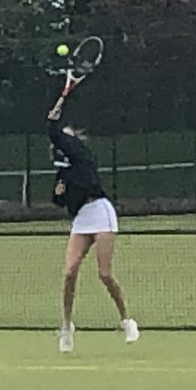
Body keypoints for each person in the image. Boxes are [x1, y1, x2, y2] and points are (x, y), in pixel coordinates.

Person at [47, 99, 138, 352]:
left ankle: (126, 320)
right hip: (81, 219)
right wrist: (59, 192)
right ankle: (66, 327)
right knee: (69, 272)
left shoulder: (83, 157)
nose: (65, 141)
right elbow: (58, 200)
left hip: (100, 211)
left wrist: (53, 121)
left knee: (104, 274)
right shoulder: (63, 172)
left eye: (68, 137)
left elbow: (57, 136)